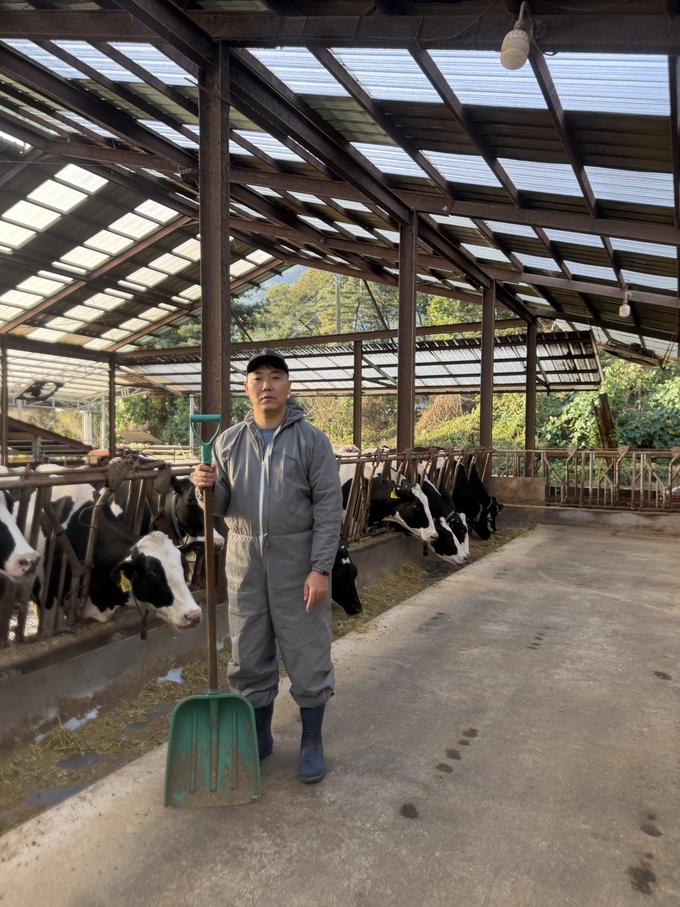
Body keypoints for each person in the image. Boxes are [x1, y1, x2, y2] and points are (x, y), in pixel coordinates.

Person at [194, 349, 342, 783]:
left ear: (288, 386)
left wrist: (320, 567)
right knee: (248, 649)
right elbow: (220, 504)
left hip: (297, 560)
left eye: (276, 377)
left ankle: (311, 738)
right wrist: (204, 487)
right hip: (243, 560)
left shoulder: (312, 441)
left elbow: (329, 508)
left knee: (307, 649)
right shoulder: (226, 443)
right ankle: (260, 733)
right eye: (257, 377)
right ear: (247, 388)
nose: (266, 385)